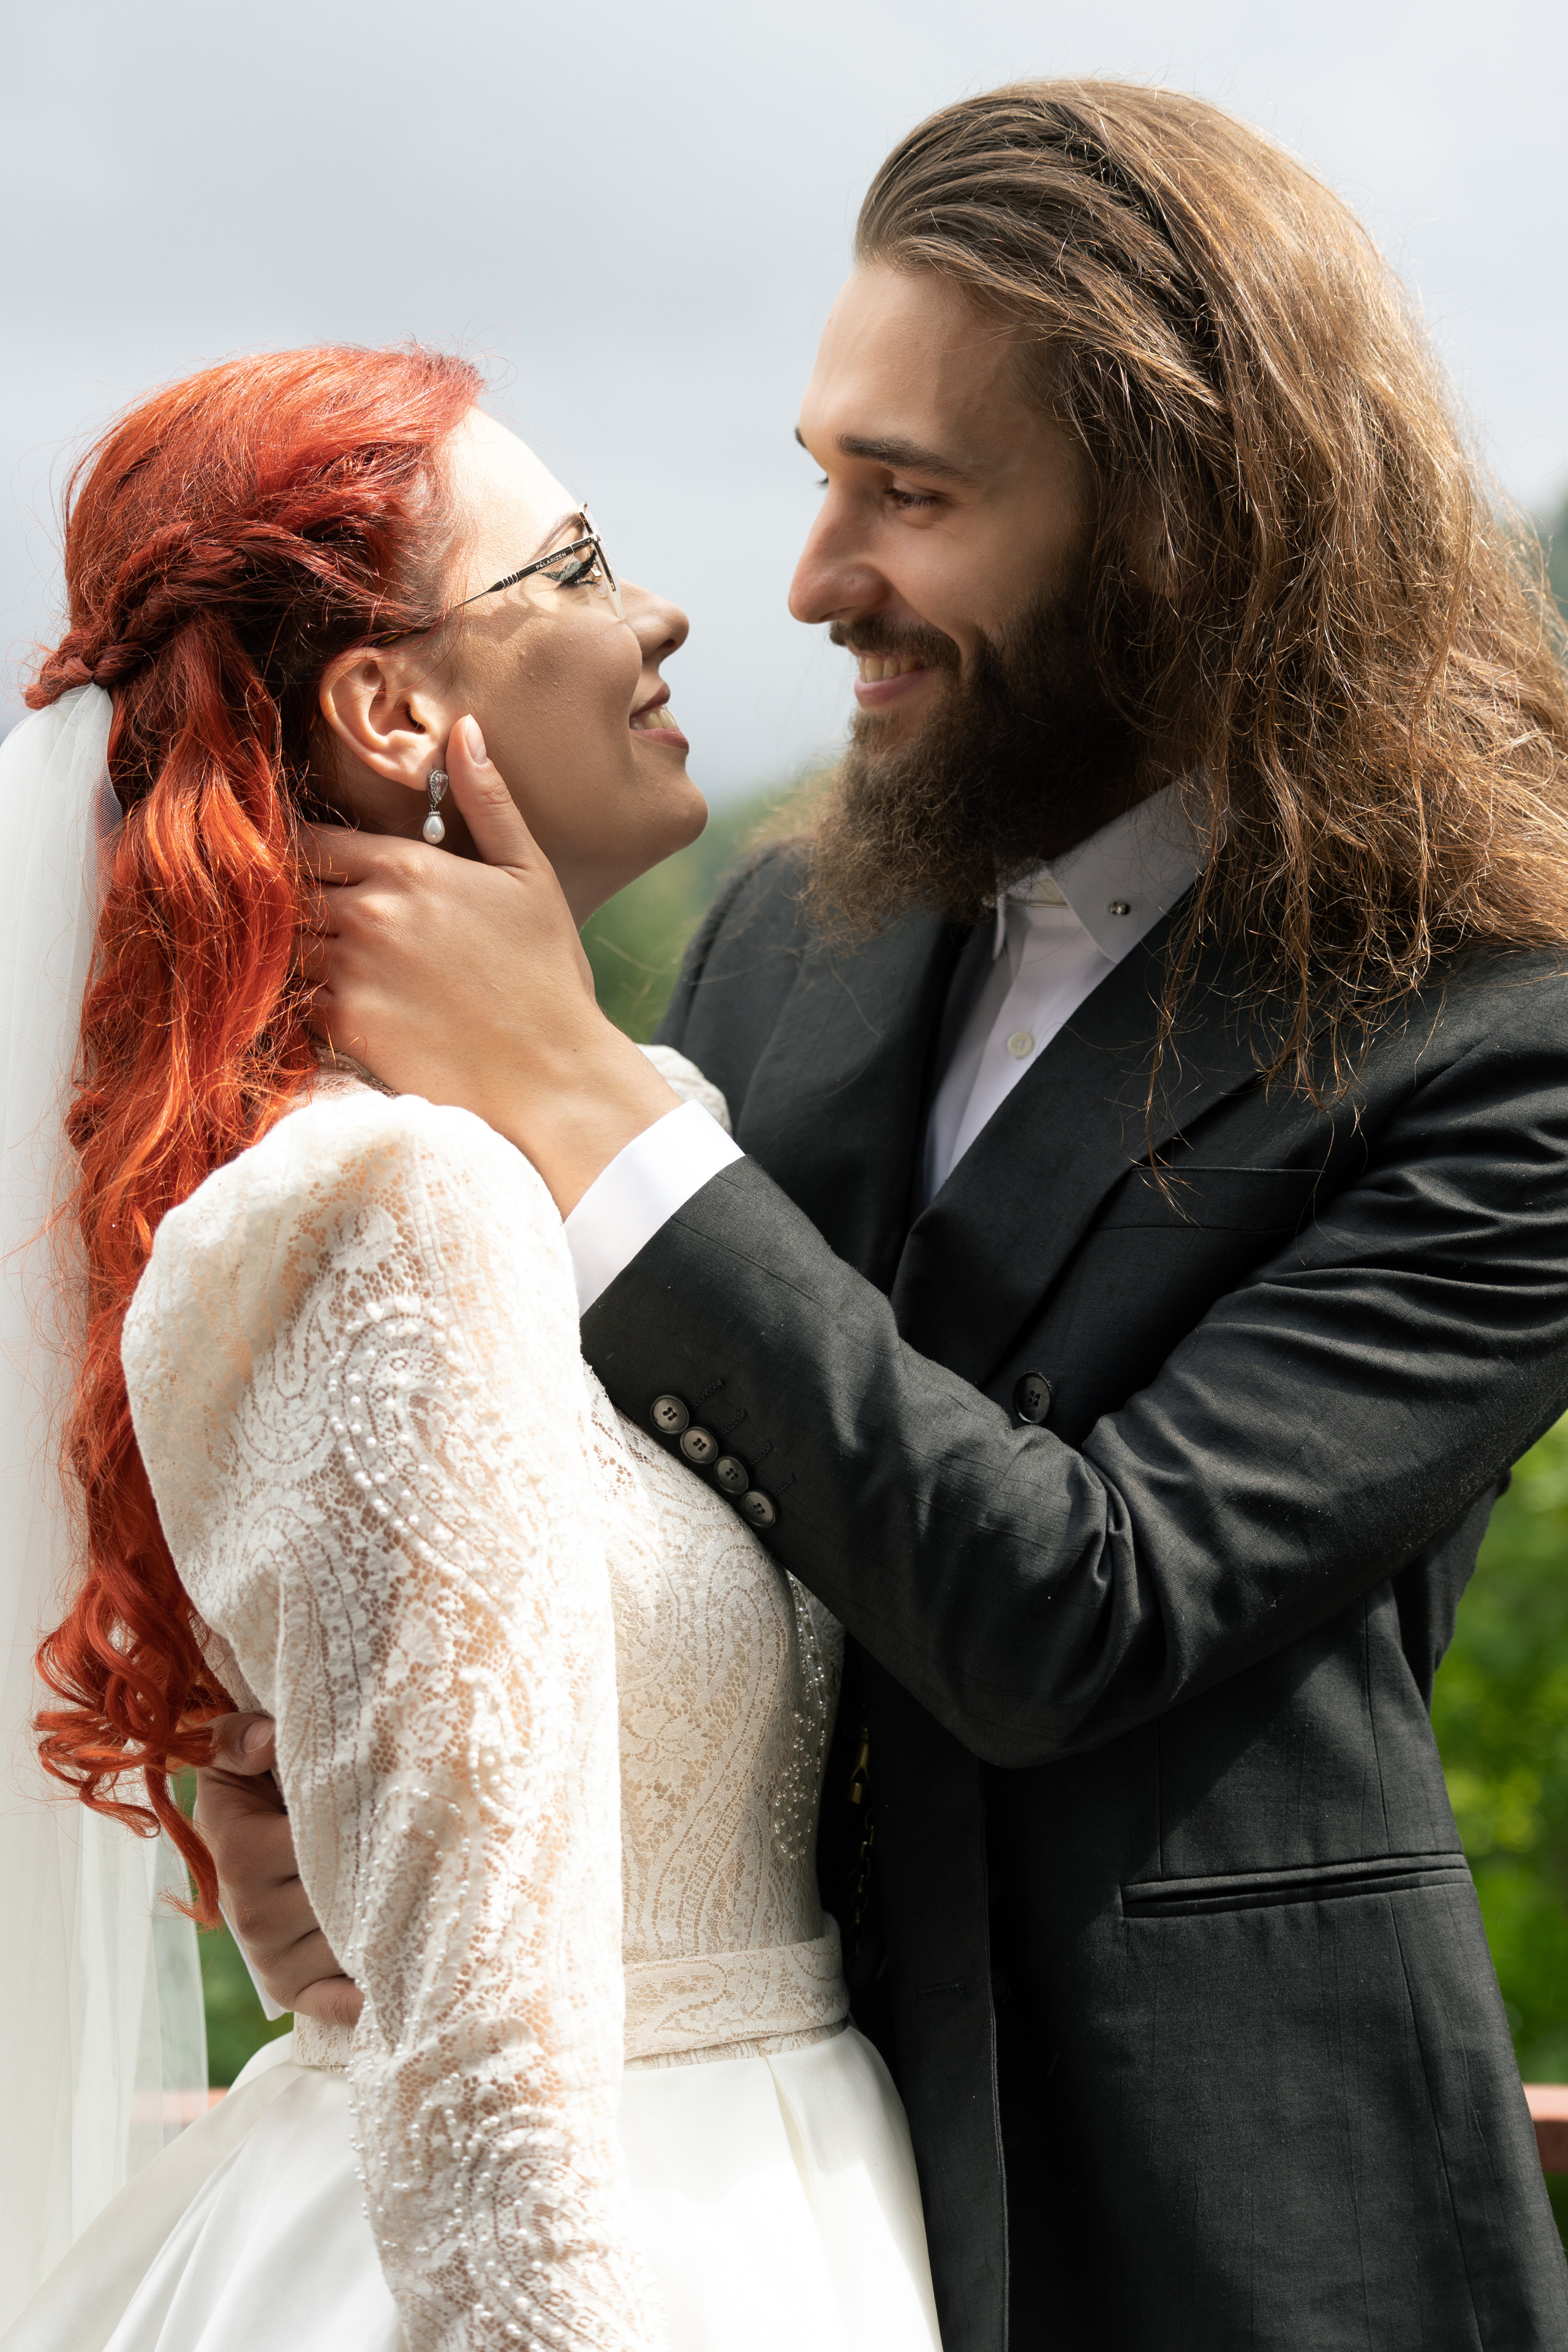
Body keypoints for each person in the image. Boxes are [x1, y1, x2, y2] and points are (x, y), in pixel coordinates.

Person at [216, 80, 1568, 2351]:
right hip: (753, 2210)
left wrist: (581, 1096)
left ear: (1177, 528)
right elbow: (622, 1516)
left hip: (1234, 2236)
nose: (811, 575)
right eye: (823, 469)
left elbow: (1078, 1611)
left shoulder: (1502, 1038)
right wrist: (311, 1779)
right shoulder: (791, 928)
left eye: (908, 496)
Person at [0, 347, 942, 2352]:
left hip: (777, 2198)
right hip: (594, 2259)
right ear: (391, 706)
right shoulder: (393, 1214)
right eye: (577, 562)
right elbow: (478, 2054)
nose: (665, 607)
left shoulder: (614, 1145)